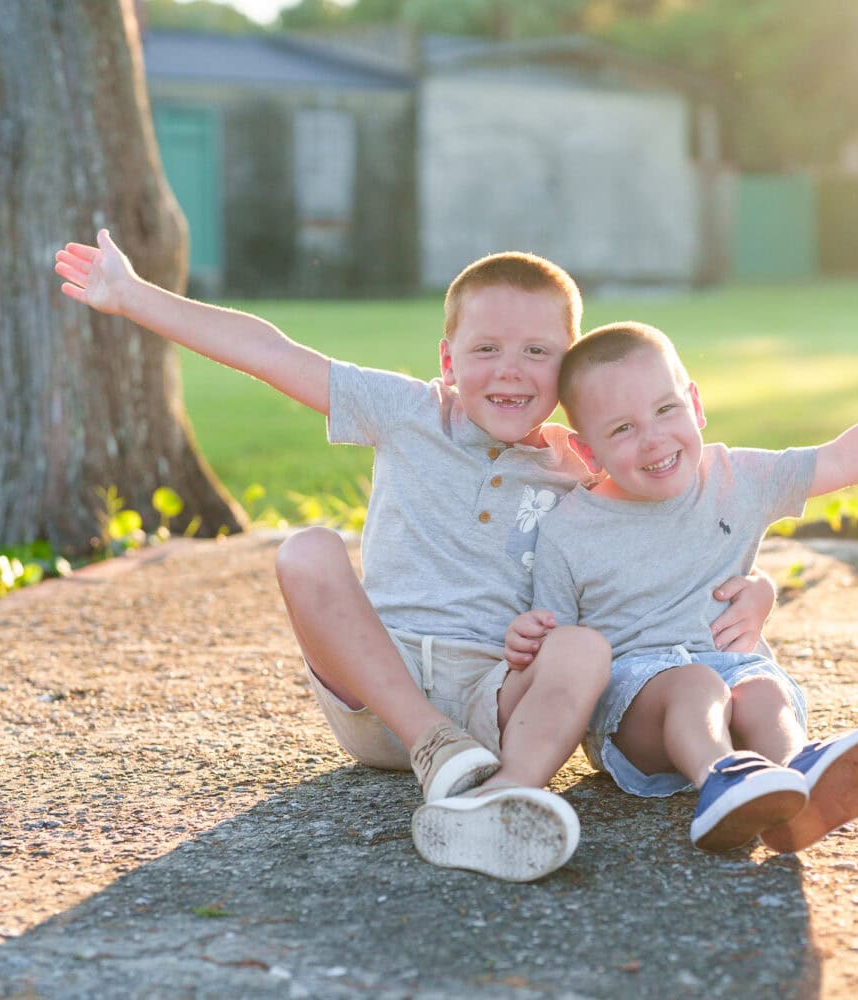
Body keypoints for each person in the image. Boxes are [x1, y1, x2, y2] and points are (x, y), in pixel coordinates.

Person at [53, 233, 776, 880]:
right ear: (447, 359)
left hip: (494, 706)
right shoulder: (407, 412)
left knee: (583, 648)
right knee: (306, 551)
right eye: (485, 350)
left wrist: (757, 588)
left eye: (538, 352)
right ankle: (430, 745)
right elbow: (270, 351)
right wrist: (131, 296)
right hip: (376, 690)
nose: (510, 371)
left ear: (570, 369)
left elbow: (681, 529)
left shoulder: (583, 465)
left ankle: (503, 802)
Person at [508, 320, 858, 853]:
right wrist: (528, 637)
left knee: (761, 689)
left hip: (735, 672)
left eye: (666, 410)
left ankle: (794, 780)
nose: (654, 439)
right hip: (637, 709)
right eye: (622, 429)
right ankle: (722, 779)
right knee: (699, 685)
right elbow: (557, 650)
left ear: (694, 404)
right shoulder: (568, 528)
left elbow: (843, 458)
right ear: (589, 452)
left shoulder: (735, 478)